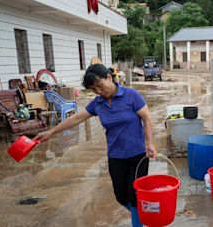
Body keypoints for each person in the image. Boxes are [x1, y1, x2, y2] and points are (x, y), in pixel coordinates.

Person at [34, 63, 156, 227]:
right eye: (93, 89)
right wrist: (51, 131)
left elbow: (147, 119)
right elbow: (76, 118)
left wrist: (149, 143)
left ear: (109, 77)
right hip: (115, 156)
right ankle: (142, 213)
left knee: (134, 196)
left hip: (138, 155)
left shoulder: (131, 95)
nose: (98, 91)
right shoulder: (98, 103)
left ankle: (138, 221)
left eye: (99, 85)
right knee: (120, 196)